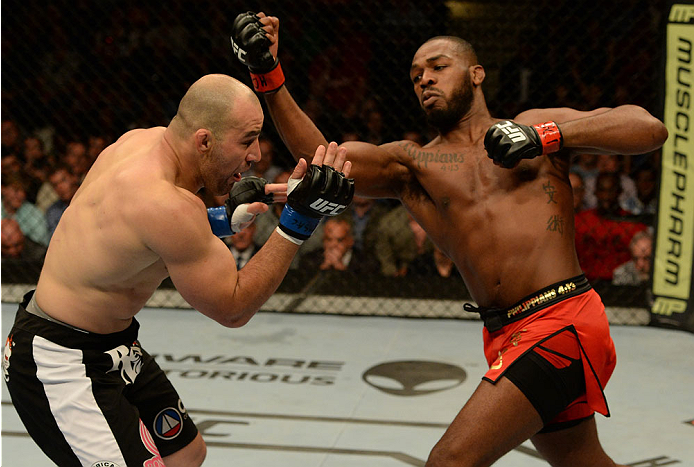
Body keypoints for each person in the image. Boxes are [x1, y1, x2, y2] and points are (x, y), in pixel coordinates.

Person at [230, 13, 668, 466]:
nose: (425, 80)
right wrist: (269, 76)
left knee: (450, 461)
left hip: (563, 320)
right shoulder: (413, 165)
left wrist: (545, 137)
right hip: (505, 332)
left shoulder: (535, 124)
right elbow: (323, 158)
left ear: (476, 74)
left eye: (438, 67)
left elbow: (648, 127)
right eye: (417, 75)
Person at [2, 73, 353, 467]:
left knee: (186, 453)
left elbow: (133, 231)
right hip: (59, 361)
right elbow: (233, 307)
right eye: (246, 139)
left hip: (110, 345)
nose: (256, 154)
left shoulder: (140, 141)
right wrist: (297, 223)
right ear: (204, 141)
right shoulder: (168, 206)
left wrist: (226, 218)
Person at [574, 172, 649, 282]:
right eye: (602, 190)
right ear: (595, 192)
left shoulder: (633, 224)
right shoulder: (580, 221)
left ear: (619, 192)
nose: (606, 196)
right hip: (585, 281)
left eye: (611, 190)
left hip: (622, 283)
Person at [1, 173, 50, 247]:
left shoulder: (33, 212)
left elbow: (43, 243)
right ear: (3, 189)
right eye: (16, 190)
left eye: (23, 191)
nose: (21, 195)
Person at [45, 163, 80, 239]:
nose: (60, 187)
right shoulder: (53, 212)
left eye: (63, 181)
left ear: (74, 177)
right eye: (55, 185)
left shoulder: (90, 195)